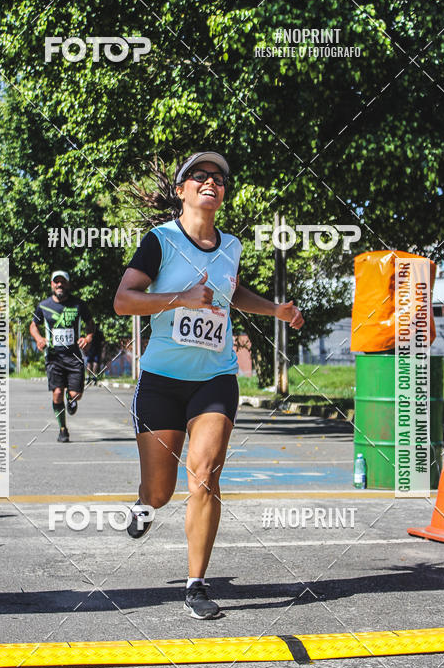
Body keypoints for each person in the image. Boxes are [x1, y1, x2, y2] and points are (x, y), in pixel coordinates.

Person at [114, 151, 303, 619]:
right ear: (181, 191)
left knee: (205, 475)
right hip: (160, 380)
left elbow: (230, 292)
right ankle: (143, 502)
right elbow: (123, 300)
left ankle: (196, 585)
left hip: (214, 378)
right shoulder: (158, 242)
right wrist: (179, 297)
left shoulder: (232, 246)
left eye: (218, 178)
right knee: (160, 491)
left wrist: (274, 309)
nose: (210, 182)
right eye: (199, 176)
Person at [30, 271, 94, 443]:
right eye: (56, 282)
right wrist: (39, 339)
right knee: (57, 393)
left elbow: (90, 323)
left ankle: (71, 399)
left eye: (62, 282)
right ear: (51, 285)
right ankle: (63, 429)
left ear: (68, 284)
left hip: (74, 357)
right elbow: (33, 325)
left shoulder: (78, 305)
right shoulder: (44, 306)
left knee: (75, 394)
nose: (59, 285)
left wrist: (87, 338)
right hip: (54, 357)